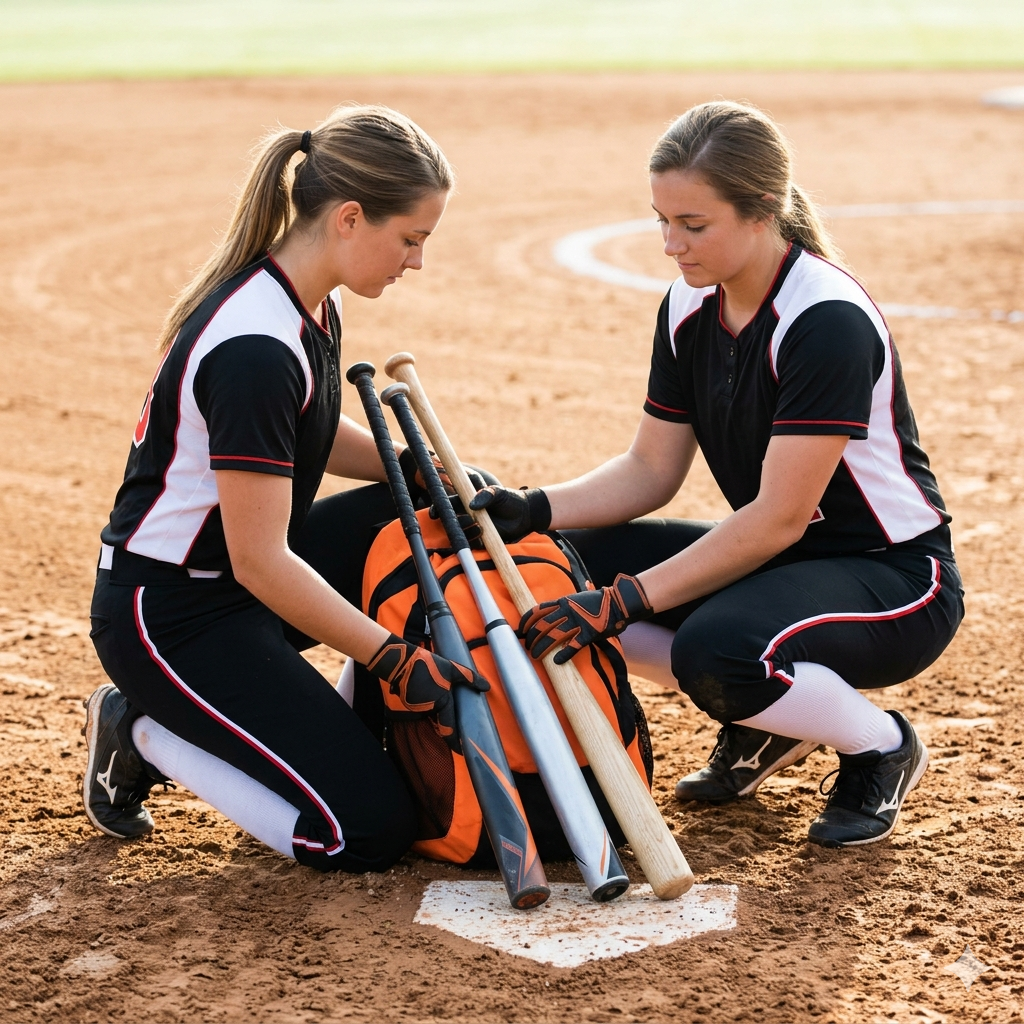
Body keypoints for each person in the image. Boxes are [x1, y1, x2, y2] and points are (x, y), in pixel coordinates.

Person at [471, 101, 963, 849]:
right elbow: (650, 470)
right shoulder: (689, 302)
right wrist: (535, 509)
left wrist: (623, 601)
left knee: (717, 653)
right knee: (549, 567)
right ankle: (770, 726)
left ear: (763, 210)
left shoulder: (824, 317)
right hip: (781, 563)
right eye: (661, 220)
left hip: (893, 577)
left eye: (693, 225)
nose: (671, 245)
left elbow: (778, 519)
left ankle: (880, 744)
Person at [83, 105, 489, 873]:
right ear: (349, 218)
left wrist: (419, 471)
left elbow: (310, 427)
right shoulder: (255, 348)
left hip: (236, 582)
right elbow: (263, 564)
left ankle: (350, 718)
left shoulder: (308, 299)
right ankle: (143, 726)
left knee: (412, 518)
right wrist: (393, 657)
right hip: (175, 615)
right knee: (365, 831)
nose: (416, 262)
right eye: (412, 239)